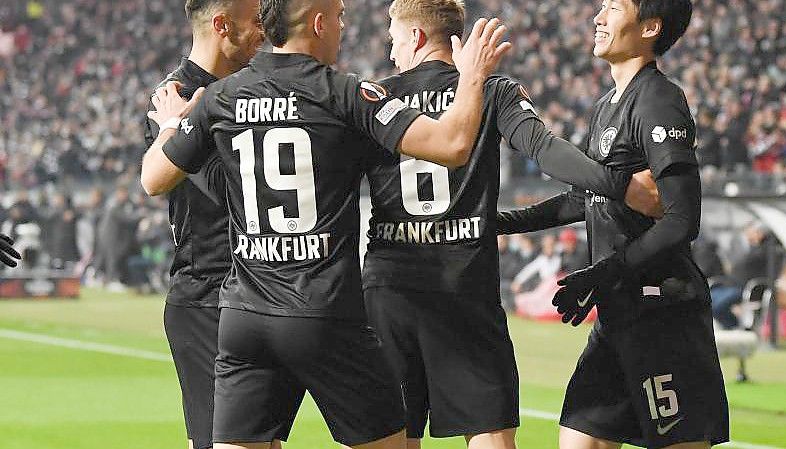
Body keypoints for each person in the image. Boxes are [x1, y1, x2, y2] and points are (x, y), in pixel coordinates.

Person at [141, 0, 512, 446]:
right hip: (323, 312)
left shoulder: (222, 97)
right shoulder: (344, 93)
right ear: (318, 23)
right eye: (338, 16)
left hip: (244, 319)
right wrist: (472, 75)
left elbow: (153, 179)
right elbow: (452, 144)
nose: (343, 26)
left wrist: (169, 125)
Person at [361, 1, 660, 447]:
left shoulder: (374, 99)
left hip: (388, 287)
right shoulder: (493, 90)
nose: (391, 52)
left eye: (394, 38)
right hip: (463, 288)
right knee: (490, 437)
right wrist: (621, 186)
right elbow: (545, 150)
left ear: (417, 38)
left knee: (394, 437)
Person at [497, 0, 729, 447]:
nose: (598, 18)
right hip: (619, 312)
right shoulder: (605, 106)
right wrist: (497, 223)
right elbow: (581, 200)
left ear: (650, 27)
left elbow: (682, 220)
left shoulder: (660, 100)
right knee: (579, 440)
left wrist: (608, 269)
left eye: (614, 8)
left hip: (662, 314)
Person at [142, 1, 275, 448]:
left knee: (264, 441)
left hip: (257, 292)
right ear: (222, 25)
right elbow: (228, 189)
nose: (264, 30)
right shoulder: (174, 98)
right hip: (207, 297)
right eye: (255, 21)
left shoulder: (248, 88)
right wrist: (180, 126)